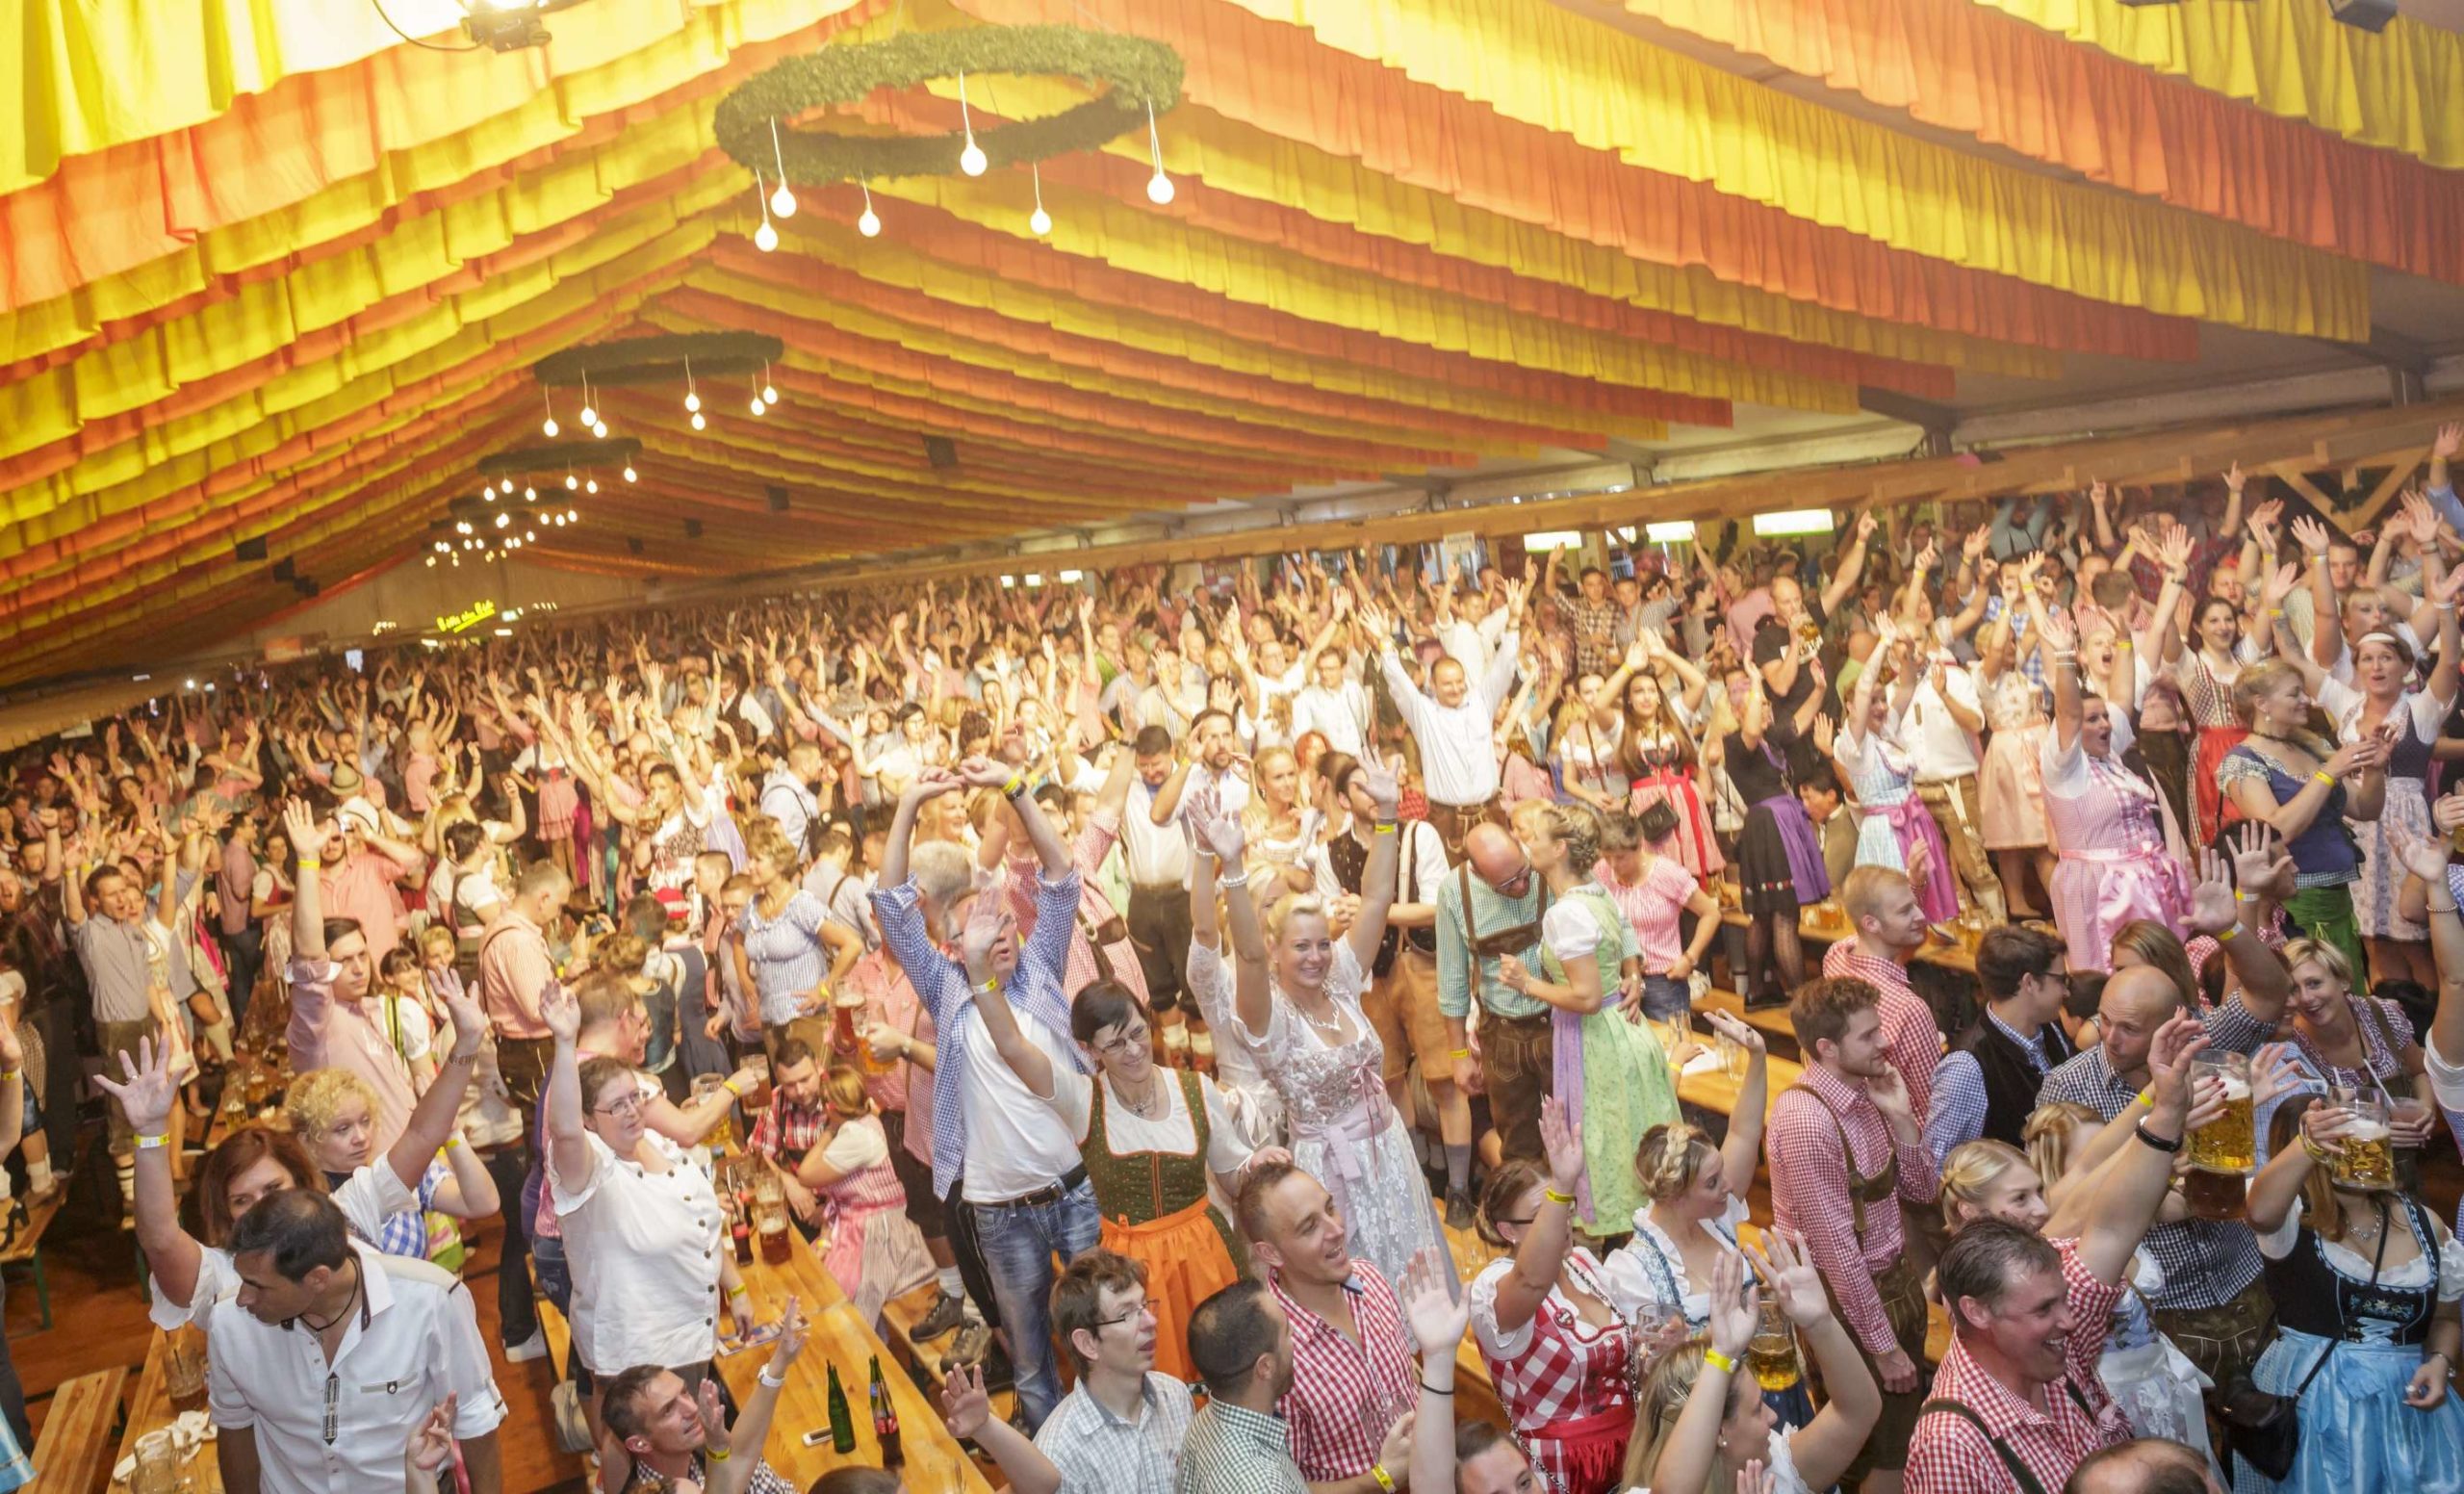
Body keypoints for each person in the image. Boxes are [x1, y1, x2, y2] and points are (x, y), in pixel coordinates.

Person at [870, 756, 1100, 1431]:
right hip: (999, 1211)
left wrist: (1015, 789)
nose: (999, 934)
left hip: (1072, 1190)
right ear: (950, 944)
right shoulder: (948, 992)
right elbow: (891, 904)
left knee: (1101, 1337)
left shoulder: (1040, 974)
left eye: (1004, 924)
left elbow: (1061, 880)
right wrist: (910, 800)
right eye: (979, 927)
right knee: (1030, 1359)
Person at [1917, 1010, 2224, 1494]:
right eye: (2045, 1309)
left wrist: (2165, 1108)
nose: (2069, 1318)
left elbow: (2112, 1225)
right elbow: (2089, 1195)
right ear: (1976, 1312)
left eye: (2062, 1299)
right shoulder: (1953, 1443)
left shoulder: (2044, 1330)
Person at [2037, 841, 2297, 1392]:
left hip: (2245, 1278)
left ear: (2174, 1022)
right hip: (2162, 1308)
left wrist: (2231, 929)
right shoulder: (2067, 1083)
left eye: (2129, 1028)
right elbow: (2067, 1205)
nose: (2110, 1039)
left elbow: (2270, 993)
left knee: (2270, 1438)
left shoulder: (2206, 1049)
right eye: (2104, 1022)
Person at [1194, 769, 1451, 1293]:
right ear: (1275, 952)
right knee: (1354, 1285)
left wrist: (1386, 816)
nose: (1315, 956)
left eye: (1321, 944)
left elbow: (1376, 900)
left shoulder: (1340, 981)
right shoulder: (1270, 1015)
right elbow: (1242, 950)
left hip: (1390, 1152)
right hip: (1332, 1175)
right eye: (1300, 946)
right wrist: (1234, 866)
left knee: (1414, 1277)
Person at [968, 955, 1263, 1383]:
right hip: (1131, 1279)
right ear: (1089, 1051)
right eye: (1116, 1044)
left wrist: (1259, 1167)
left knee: (1227, 1375)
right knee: (1156, 1387)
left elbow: (1233, 1173)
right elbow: (1012, 1045)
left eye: (1139, 1033)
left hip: (1207, 1259)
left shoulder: (1195, 1089)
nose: (1134, 1050)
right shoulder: (1083, 1100)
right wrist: (980, 975)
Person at [206, 1191, 506, 1493]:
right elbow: (234, 1426)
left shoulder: (430, 1299)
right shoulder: (228, 1323)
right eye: (242, 1279)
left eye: (258, 1286)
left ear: (318, 1279)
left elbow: (475, 1420)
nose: (243, 1298)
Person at [544, 975, 755, 1400]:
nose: (631, 1112)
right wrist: (564, 1044)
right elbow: (564, 1132)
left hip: (693, 1336)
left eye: (635, 1098)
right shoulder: (590, 1170)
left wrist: (736, 1288)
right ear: (589, 1120)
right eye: (615, 1105)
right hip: (640, 1363)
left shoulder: (658, 1142)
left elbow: (697, 1225)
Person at [2238, 1095, 2463, 1494]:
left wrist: (2441, 1362)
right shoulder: (2290, 1220)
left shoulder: (2426, 1223)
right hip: (2316, 1408)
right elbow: (2258, 1210)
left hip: (2407, 1410)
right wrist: (2307, 1143)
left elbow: (2445, 1318)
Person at [1766, 975, 1938, 1494]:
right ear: (1827, 1048)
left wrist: (1903, 1117)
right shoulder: (1805, 1121)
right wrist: (1883, 1348)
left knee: (1901, 1439)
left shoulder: (1868, 1091)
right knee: (1883, 1454)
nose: (1885, 1040)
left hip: (1895, 1283)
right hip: (1851, 1307)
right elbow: (1838, 1252)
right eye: (1869, 1035)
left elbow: (1924, 1190)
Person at [1502, 801, 1679, 1239]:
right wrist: (1633, 975)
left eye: (1536, 837)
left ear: (1559, 848)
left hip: (1597, 1040)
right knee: (1632, 1140)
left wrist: (1526, 984)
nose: (1528, 842)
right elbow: (1626, 938)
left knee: (1608, 1148)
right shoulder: (1597, 893)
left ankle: (1623, 1253)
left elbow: (1585, 996)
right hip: (1623, 1031)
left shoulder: (1566, 912)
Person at [1468, 1096, 1640, 1494]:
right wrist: (1561, 1186)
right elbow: (1531, 1280)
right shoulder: (1495, 1288)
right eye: (1545, 1212)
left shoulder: (1583, 1264)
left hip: (1630, 1449)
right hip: (1565, 1470)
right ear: (1508, 1230)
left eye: (1564, 1208)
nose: (1561, 1221)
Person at [1627, 1235, 1881, 1494]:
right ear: (1719, 1432)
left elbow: (1859, 1412)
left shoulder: (1773, 1470)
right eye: (1757, 1408)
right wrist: (1721, 1355)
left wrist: (1821, 1323)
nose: (1773, 1416)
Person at [939, 1250, 1195, 1494]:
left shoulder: (1175, 1396)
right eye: (1126, 1314)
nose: (1150, 1322)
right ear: (1087, 1343)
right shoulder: (1061, 1450)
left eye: (1145, 1305)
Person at [1235, 1160, 1424, 1490]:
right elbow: (1284, 1487)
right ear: (1271, 1253)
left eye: (1330, 1208)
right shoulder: (1270, 1357)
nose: (1336, 1229)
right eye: (1309, 1227)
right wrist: (1382, 1478)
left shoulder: (1370, 1278)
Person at [2031, 593, 2193, 973]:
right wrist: (2064, 657)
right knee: (2110, 974)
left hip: (2145, 884)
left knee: (2161, 973)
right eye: (2094, 720)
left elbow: (2121, 696)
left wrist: (2123, 640)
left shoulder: (2110, 754)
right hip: (2100, 891)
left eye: (2105, 718)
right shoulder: (2064, 765)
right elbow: (2069, 712)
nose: (2105, 724)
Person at [2219, 657, 2388, 980]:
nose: (2306, 701)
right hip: (2296, 902)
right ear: (2261, 703)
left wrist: (2375, 769)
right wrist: (2327, 775)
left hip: (2339, 897)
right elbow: (2278, 828)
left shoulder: (2313, 746)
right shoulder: (2241, 761)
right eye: (2294, 694)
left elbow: (2367, 809)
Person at [754, 1049, 933, 1331]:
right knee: (809, 1275)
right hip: (845, 1219)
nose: (800, 1091)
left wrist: (827, 1131)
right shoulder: (783, 1104)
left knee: (836, 1294)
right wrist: (787, 1182)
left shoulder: (855, 1133)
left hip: (873, 1230)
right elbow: (758, 1154)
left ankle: (851, 1346)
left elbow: (808, 1174)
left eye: (805, 1080)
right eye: (790, 1084)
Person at [1365, 588, 1527, 859]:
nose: (1455, 688)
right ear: (1433, 685)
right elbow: (1399, 685)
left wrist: (1513, 622)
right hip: (1447, 819)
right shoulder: (1424, 714)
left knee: (1503, 884)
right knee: (1452, 891)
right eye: (1447, 683)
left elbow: (1504, 668)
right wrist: (1384, 641)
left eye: (1459, 681)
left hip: (1489, 811)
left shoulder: (1481, 703)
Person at [282, 1067, 498, 1266]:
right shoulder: (306, 1210)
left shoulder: (396, 1172)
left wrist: (451, 1133)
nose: (361, 1137)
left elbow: (483, 1203)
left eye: (365, 1121)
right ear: (307, 1141)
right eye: (343, 1129)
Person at [598, 1296, 809, 1494]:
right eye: (668, 1410)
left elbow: (742, 1456)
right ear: (640, 1444)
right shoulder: (671, 1489)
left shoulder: (695, 1453)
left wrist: (781, 1360)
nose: (691, 1409)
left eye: (685, 1393)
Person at [1435, 822, 1553, 1162]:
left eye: (1522, 873)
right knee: (1518, 1147)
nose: (1521, 885)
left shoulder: (1546, 864)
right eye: (1506, 884)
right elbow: (1452, 981)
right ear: (1477, 872)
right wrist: (1459, 1056)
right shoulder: (1455, 890)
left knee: (1581, 1137)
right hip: (1502, 1038)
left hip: (1561, 1025)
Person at [1926, 925, 2077, 1162]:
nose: (2066, 992)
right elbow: (1942, 1166)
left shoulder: (2051, 1026)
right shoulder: (1966, 1067)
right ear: (2029, 983)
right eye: (2061, 980)